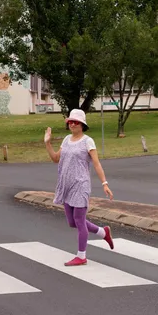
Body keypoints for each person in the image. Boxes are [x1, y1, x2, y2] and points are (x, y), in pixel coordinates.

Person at [44, 109, 115, 266]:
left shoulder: (87, 141)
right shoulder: (66, 140)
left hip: (80, 185)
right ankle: (103, 232)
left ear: (82, 125)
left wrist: (104, 183)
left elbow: (96, 163)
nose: (72, 124)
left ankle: (81, 256)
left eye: (75, 122)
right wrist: (47, 143)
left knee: (79, 221)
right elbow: (56, 158)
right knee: (73, 222)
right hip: (66, 185)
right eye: (70, 122)